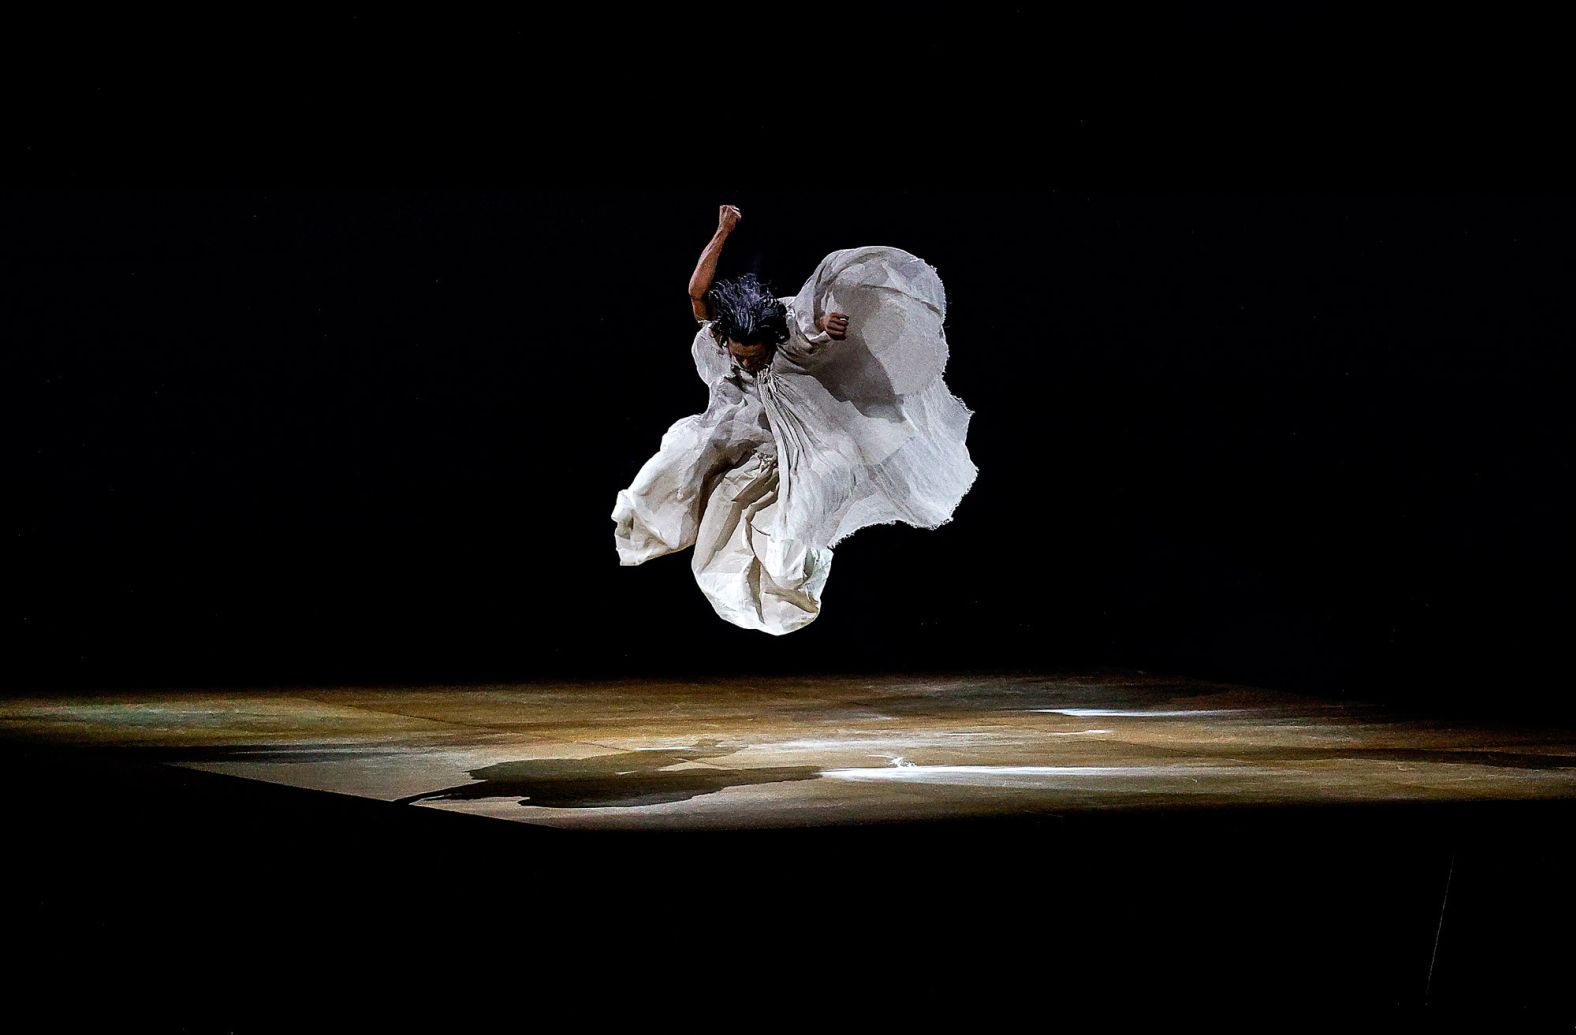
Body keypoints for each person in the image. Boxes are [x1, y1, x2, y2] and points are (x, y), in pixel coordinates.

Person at [611, 204, 978, 634]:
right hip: (744, 438)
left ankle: (806, 563)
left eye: (754, 356)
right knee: (678, 467)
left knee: (781, 556)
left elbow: (813, 322)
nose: (745, 364)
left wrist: (827, 324)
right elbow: (697, 293)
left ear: (770, 340)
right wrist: (723, 231)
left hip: (806, 453)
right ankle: (650, 526)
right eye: (738, 355)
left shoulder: (789, 333)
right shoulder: (722, 332)